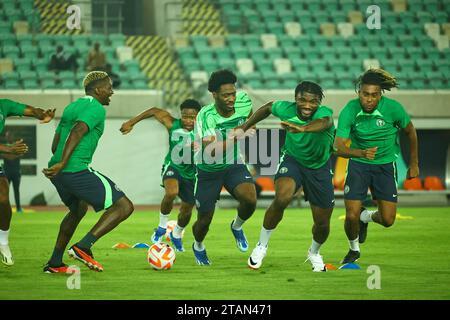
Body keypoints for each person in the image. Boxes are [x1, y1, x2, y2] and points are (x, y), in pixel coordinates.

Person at [233, 81, 336, 271]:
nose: (307, 105)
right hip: (292, 161)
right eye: (302, 100)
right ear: (295, 99)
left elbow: (325, 123)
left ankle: (314, 253)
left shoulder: (324, 114)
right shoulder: (285, 108)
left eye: (313, 102)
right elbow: (268, 107)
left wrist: (303, 128)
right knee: (282, 197)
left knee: (322, 223)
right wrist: (246, 125)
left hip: (319, 168)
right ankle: (261, 246)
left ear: (319, 102)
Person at [42, 71, 134, 273]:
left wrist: (58, 162)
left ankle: (55, 262)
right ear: (98, 89)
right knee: (124, 206)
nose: (112, 92)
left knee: (78, 209)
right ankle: (83, 246)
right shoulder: (96, 108)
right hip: (74, 169)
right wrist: (65, 162)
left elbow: (56, 143)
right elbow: (78, 131)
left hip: (57, 170)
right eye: (109, 88)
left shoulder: (72, 106)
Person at [334, 68, 419, 264]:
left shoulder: (394, 109)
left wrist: (414, 163)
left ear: (380, 94)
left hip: (385, 166)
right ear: (359, 93)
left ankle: (366, 217)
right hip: (358, 165)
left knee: (388, 220)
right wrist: (360, 153)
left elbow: (411, 132)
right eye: (365, 94)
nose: (369, 99)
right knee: (350, 214)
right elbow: (337, 146)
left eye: (374, 95)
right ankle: (353, 249)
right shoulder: (350, 109)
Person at [192, 69, 257, 265]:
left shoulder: (243, 100)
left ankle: (237, 227)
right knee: (204, 220)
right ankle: (198, 245)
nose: (231, 98)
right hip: (208, 170)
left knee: (250, 199)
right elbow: (212, 151)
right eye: (226, 95)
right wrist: (238, 135)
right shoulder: (206, 116)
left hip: (233, 164)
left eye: (233, 93)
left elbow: (251, 116)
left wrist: (247, 127)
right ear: (214, 95)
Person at [120, 99, 202, 252]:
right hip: (173, 166)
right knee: (172, 192)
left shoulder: (204, 130)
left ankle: (177, 234)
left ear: (199, 116)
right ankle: (162, 226)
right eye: (185, 116)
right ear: (181, 115)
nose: (188, 120)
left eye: (193, 117)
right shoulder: (172, 124)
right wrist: (131, 122)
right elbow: (154, 110)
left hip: (191, 173)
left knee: (188, 206)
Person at [0, 100, 55, 266]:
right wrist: (7, 149)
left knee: (3, 197)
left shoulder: (4, 105)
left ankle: (3, 243)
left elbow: (30, 110)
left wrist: (42, 114)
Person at [2, 131, 23, 213]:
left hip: (16, 172)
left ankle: (18, 208)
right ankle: (5, 208)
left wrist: (9, 154)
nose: (9, 137)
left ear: (13, 137)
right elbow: (5, 155)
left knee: (16, 190)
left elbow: (20, 154)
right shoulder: (4, 146)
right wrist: (13, 154)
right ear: (6, 138)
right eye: (7, 136)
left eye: (10, 136)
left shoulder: (16, 146)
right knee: (5, 191)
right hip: (7, 172)